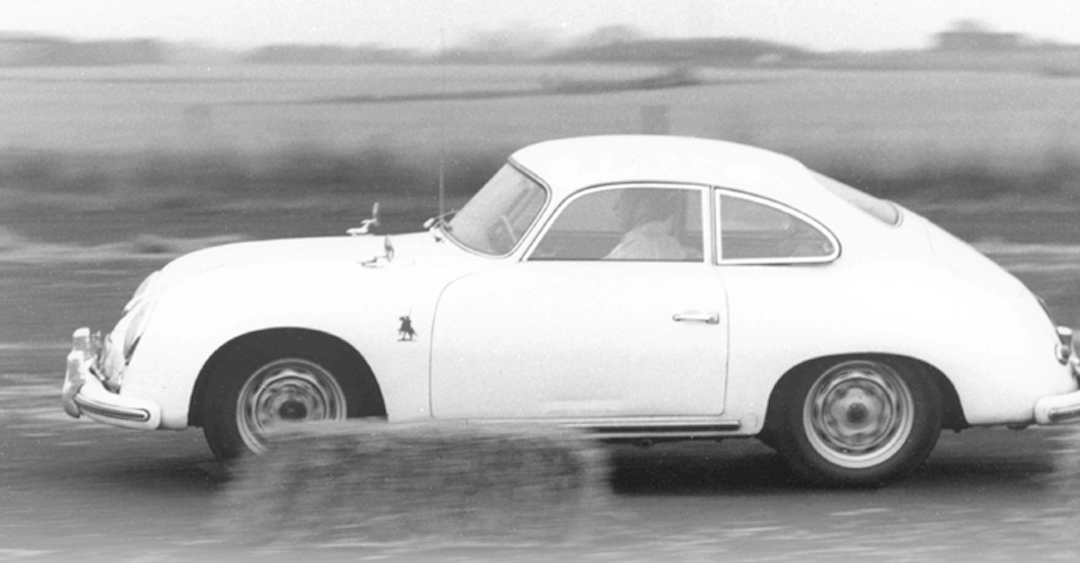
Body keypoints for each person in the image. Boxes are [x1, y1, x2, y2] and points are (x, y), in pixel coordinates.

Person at [604, 189, 696, 261]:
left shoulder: (639, 246)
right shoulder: (672, 245)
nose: (615, 206)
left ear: (642, 205)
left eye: (623, 199)